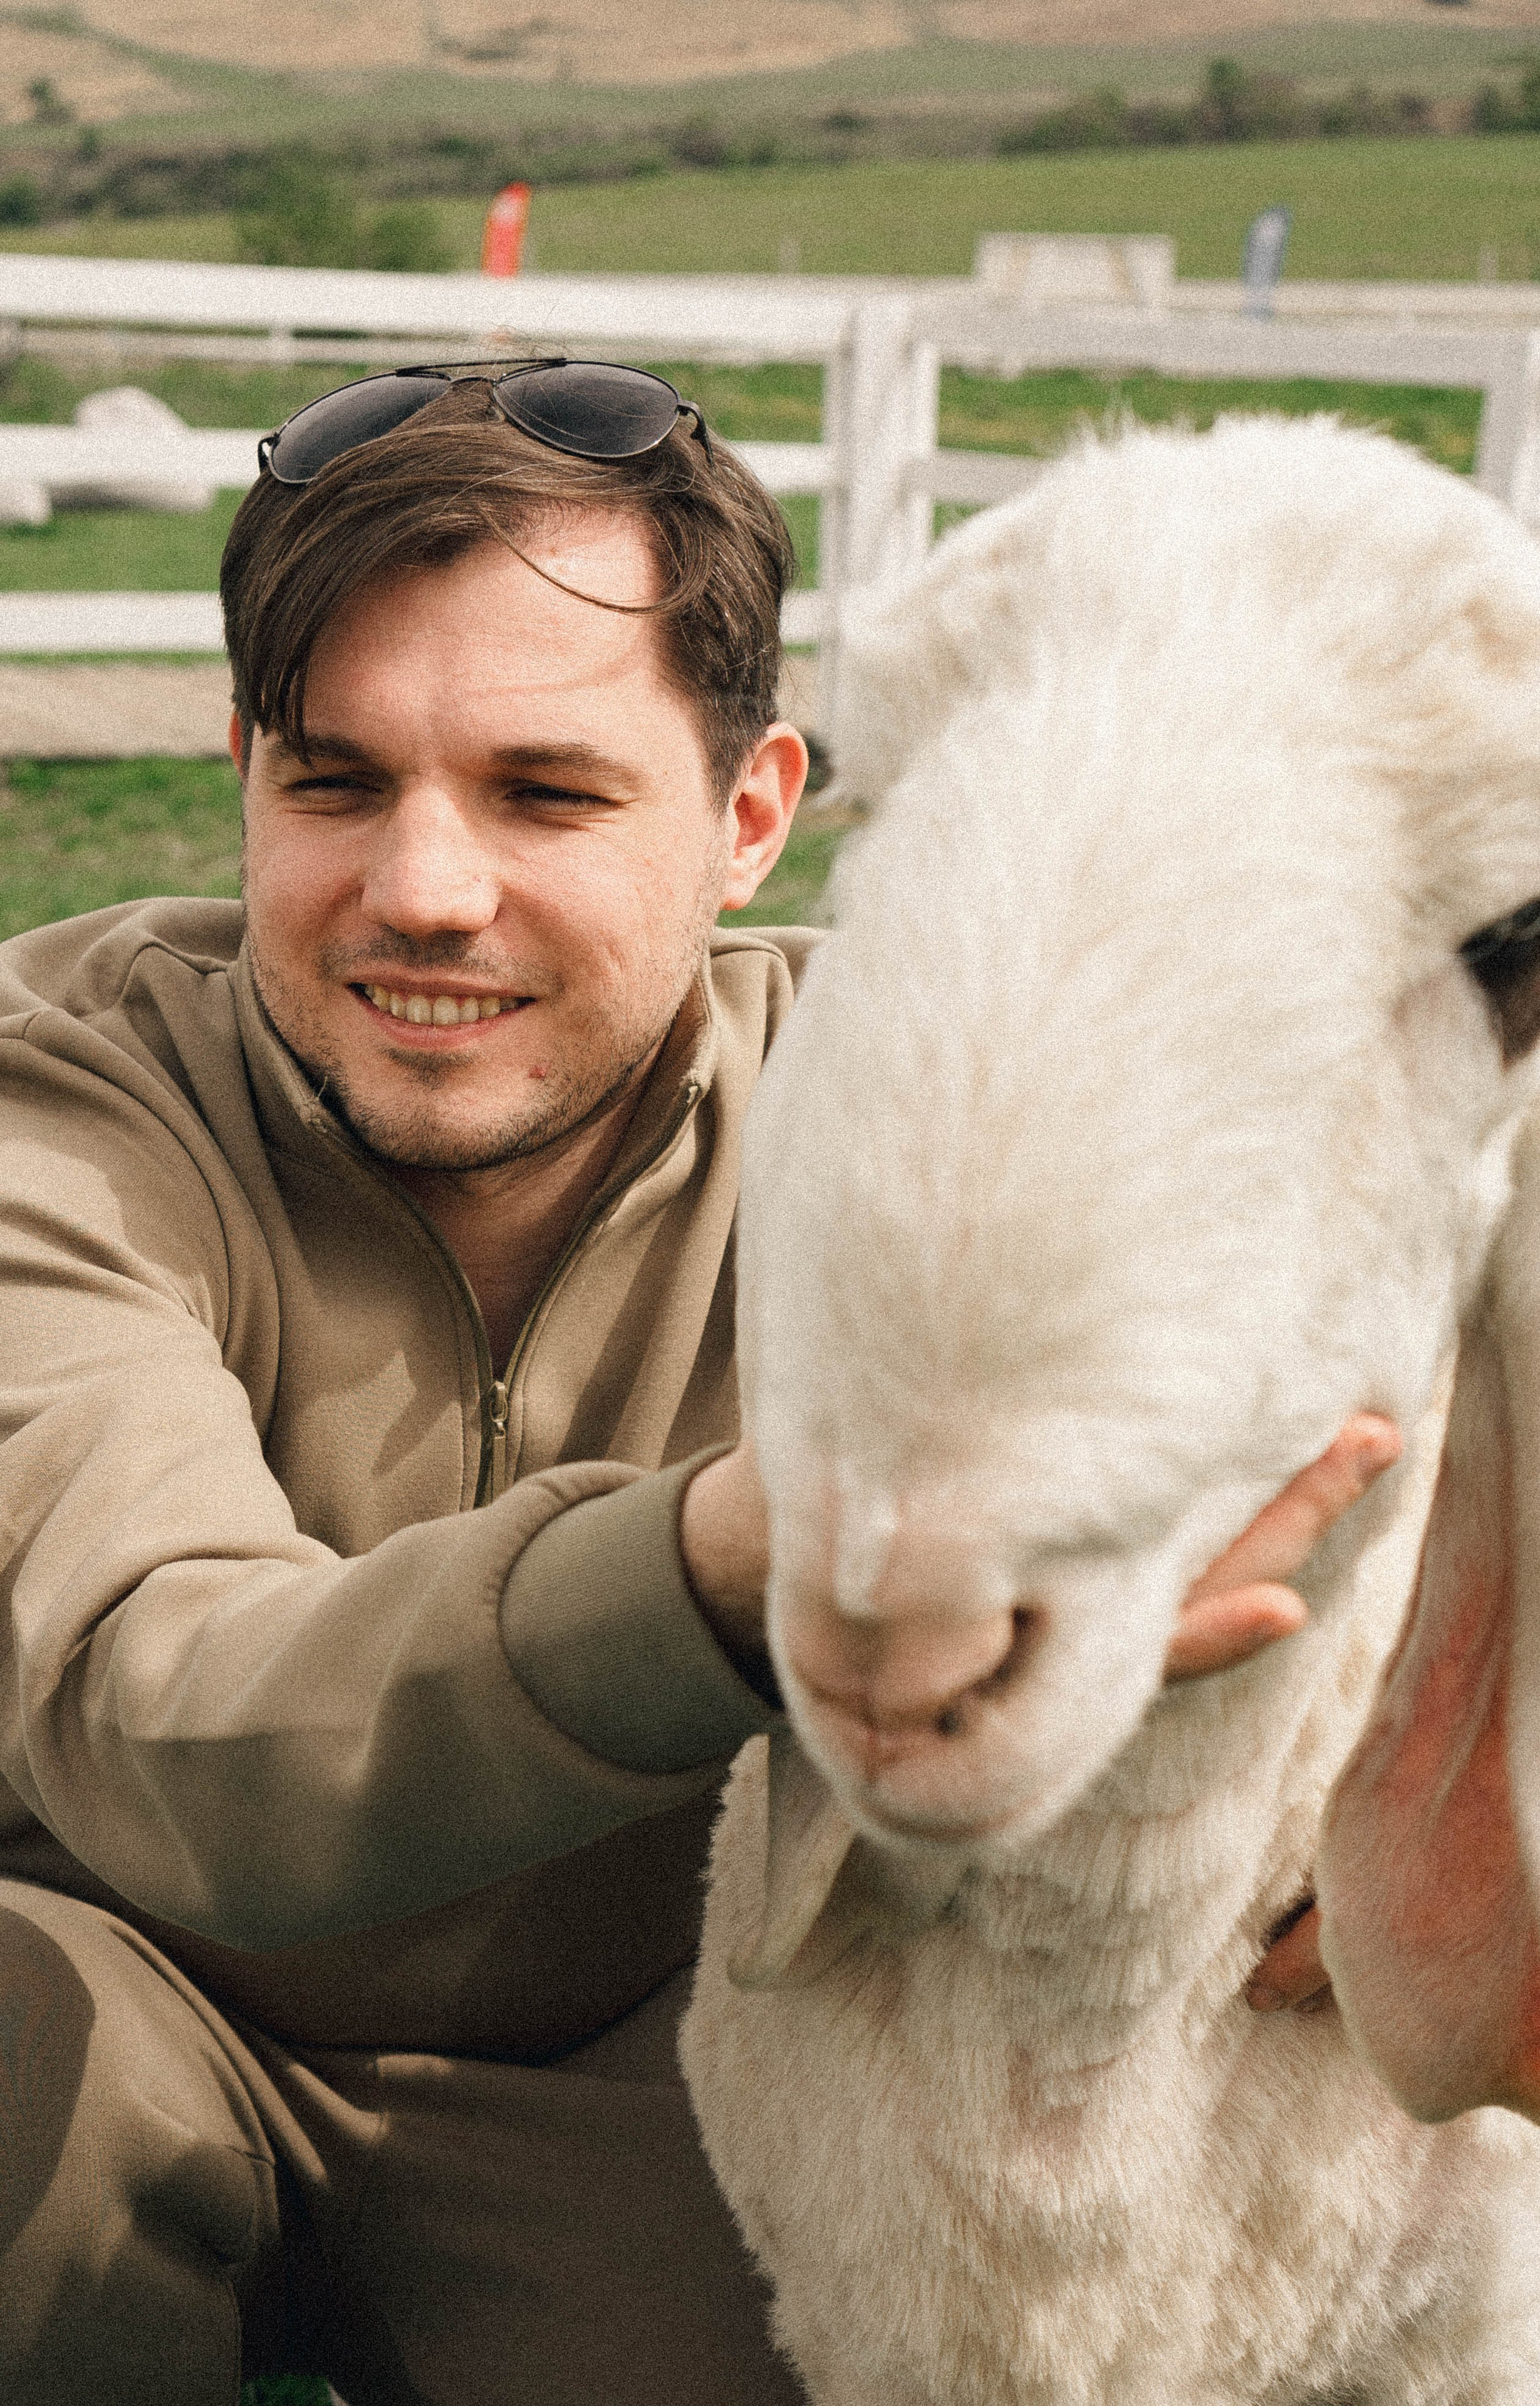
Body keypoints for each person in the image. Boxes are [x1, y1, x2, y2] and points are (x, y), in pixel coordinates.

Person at [0, 360, 1385, 2406]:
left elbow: (1442, 1321)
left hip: (663, 2051)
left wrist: (1425, 1766)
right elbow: (170, 1717)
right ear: (244, 773)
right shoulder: (62, 1106)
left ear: (750, 818)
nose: (425, 889)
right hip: (122, 1994)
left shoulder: (934, 1100)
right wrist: (752, 1561)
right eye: (337, 782)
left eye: (546, 794)